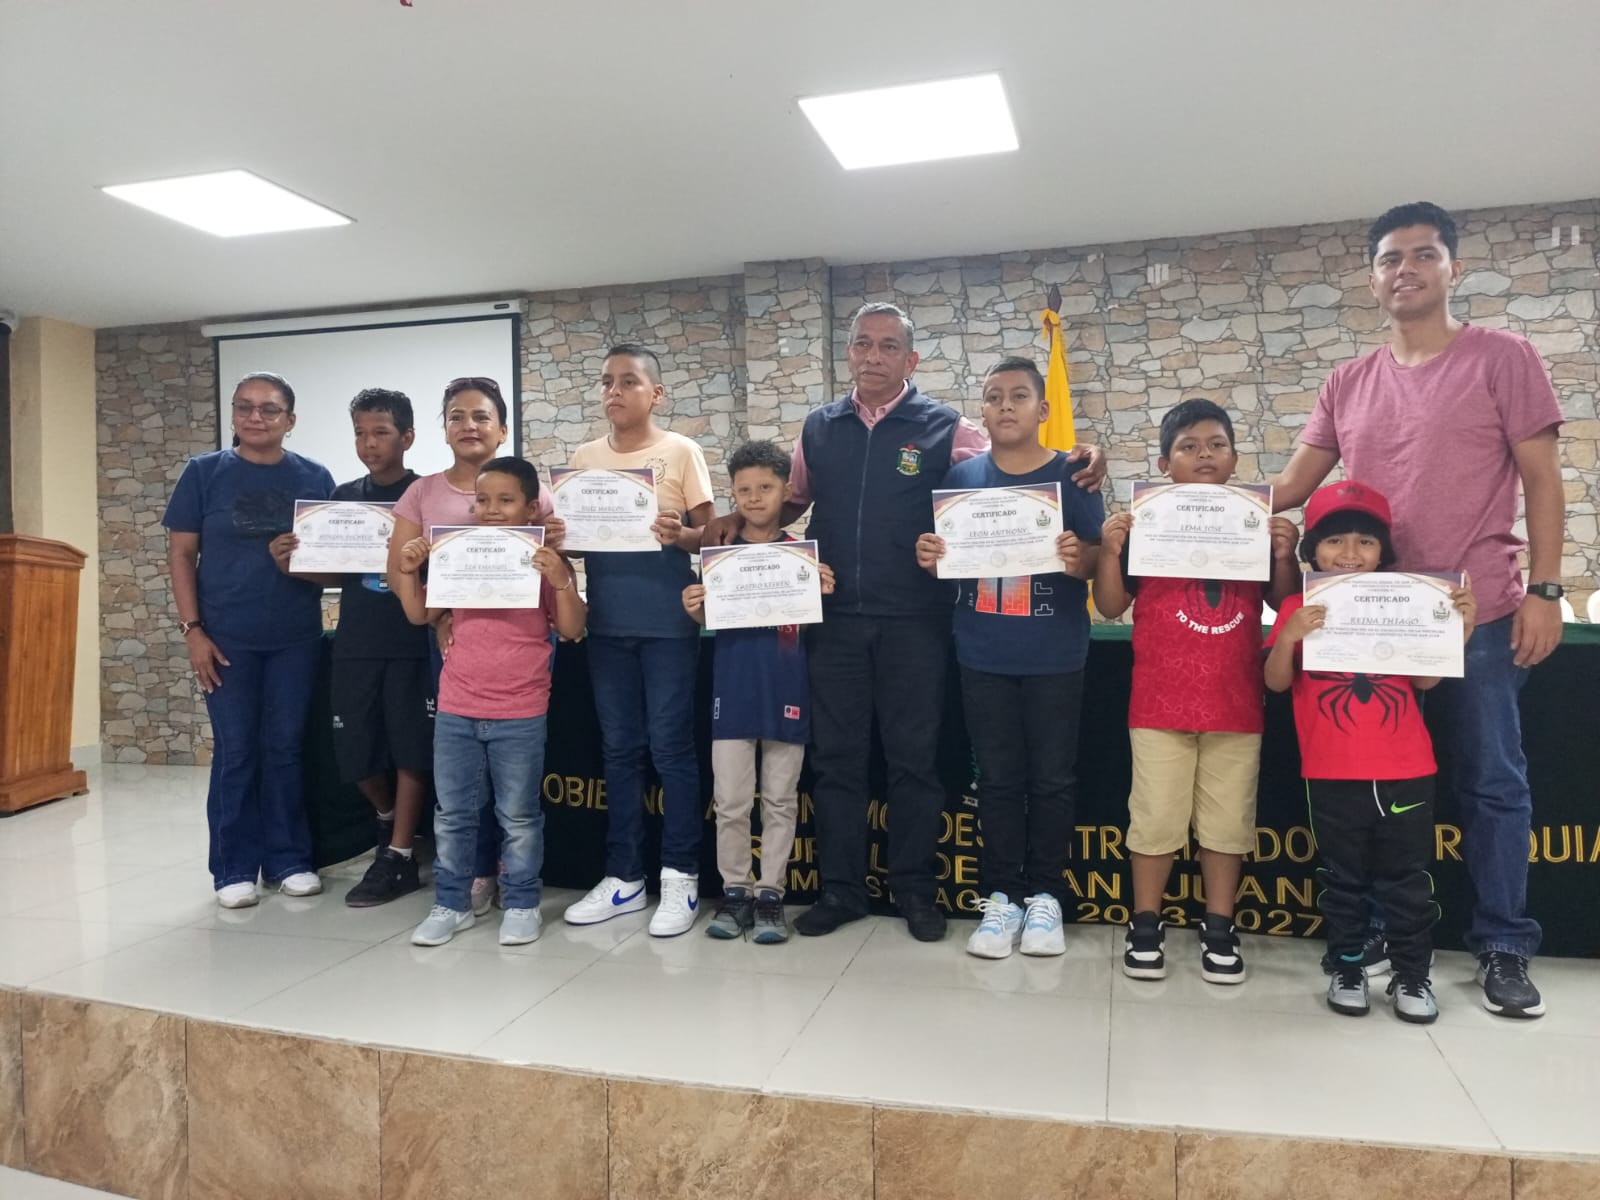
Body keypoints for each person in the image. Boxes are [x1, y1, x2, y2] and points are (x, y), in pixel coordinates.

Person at [705, 302, 1107, 943]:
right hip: (834, 620)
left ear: (911, 359)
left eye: (888, 346)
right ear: (849, 353)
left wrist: (1081, 458)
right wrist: (732, 519)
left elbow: (1010, 472)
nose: (873, 356)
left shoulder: (948, 428)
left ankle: (915, 890)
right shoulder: (819, 428)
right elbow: (792, 499)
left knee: (913, 763)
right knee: (837, 762)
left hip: (917, 622)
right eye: (862, 343)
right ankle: (842, 891)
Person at [1268, 201, 1565, 1019]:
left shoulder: (1504, 357)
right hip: (1362, 629)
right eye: (1390, 259)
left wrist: (1546, 590)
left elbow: (1542, 479)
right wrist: (1174, 507)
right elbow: (1289, 487)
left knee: (1491, 784)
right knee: (1366, 786)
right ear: (1372, 279)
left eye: (1423, 255)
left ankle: (1504, 944)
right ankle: (1368, 939)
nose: (1406, 270)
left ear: (1452, 268)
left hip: (1478, 618)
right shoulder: (1347, 382)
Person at [1094, 399, 1299, 984]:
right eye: (1188, 446)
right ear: (1165, 463)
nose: (1204, 455)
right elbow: (1109, 605)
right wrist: (1110, 549)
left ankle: (1219, 926)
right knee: (1154, 819)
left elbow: (1280, 601)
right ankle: (1145, 923)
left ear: (1234, 459)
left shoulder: (1252, 522)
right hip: (1159, 700)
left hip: (1236, 701)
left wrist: (1283, 553)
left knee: (1227, 824)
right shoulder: (1147, 523)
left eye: (1216, 445)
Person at [914, 357, 1104, 959]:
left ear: (1042, 409)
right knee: (996, 781)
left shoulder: (1072, 475)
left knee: (1052, 781)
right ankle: (1001, 897)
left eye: (1019, 395)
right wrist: (931, 557)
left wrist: (1079, 559)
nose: (1005, 406)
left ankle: (1046, 896)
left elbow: (1097, 558)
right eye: (994, 396)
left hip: (1056, 653)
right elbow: (950, 565)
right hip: (982, 652)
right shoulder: (962, 477)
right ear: (983, 409)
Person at [1265, 481, 1476, 1023]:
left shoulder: (1406, 604)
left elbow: (1425, 682)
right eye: (1335, 540)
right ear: (1313, 550)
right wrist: (1288, 635)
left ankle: (1413, 975)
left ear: (1384, 552)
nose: (1350, 553)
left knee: (1408, 881)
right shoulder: (1297, 605)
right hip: (1331, 771)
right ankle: (1348, 967)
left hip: (1408, 768)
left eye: (1365, 541)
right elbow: (1276, 682)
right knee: (1343, 878)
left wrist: (1459, 627)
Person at [392, 457, 586, 946]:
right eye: (482, 500)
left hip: (520, 711)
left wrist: (561, 579)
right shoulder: (457, 554)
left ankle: (521, 903)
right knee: (453, 815)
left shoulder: (544, 562)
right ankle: (451, 903)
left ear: (531, 507)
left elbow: (572, 627)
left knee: (518, 818)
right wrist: (410, 572)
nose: (492, 509)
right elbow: (419, 615)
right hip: (457, 706)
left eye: (505, 500)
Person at [163, 372, 335, 908]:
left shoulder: (315, 476)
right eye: (244, 407)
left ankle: (289, 860)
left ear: (290, 419)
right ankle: (233, 867)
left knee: (285, 747)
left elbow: (332, 561)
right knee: (236, 749)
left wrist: (296, 563)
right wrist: (193, 631)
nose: (255, 417)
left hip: (295, 637)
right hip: (223, 639)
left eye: (268, 409)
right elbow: (181, 555)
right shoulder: (203, 472)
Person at [561, 344, 716, 938]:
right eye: (607, 382)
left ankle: (680, 877)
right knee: (619, 751)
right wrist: (559, 533)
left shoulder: (680, 451)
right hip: (607, 626)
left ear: (656, 393)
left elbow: (712, 535)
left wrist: (681, 536)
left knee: (670, 749)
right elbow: (580, 543)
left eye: (628, 381)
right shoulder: (585, 457)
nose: (615, 392)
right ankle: (624, 877)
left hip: (669, 625)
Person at [271, 388, 434, 906]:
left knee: (410, 747)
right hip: (356, 641)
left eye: (380, 432)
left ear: (407, 437)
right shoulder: (342, 498)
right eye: (360, 433)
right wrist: (292, 563)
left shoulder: (425, 495)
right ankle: (387, 819)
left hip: (411, 639)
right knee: (356, 752)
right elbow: (333, 573)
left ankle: (399, 855)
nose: (369, 443)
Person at [682, 440, 835, 944]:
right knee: (729, 801)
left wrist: (820, 591)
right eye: (744, 489)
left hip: (787, 687)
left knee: (780, 800)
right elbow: (709, 618)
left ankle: (771, 894)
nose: (754, 498)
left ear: (786, 491)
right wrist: (695, 607)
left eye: (765, 487)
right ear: (733, 494)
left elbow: (809, 625)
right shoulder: (720, 556)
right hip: (733, 691)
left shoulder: (802, 557)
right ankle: (735, 892)